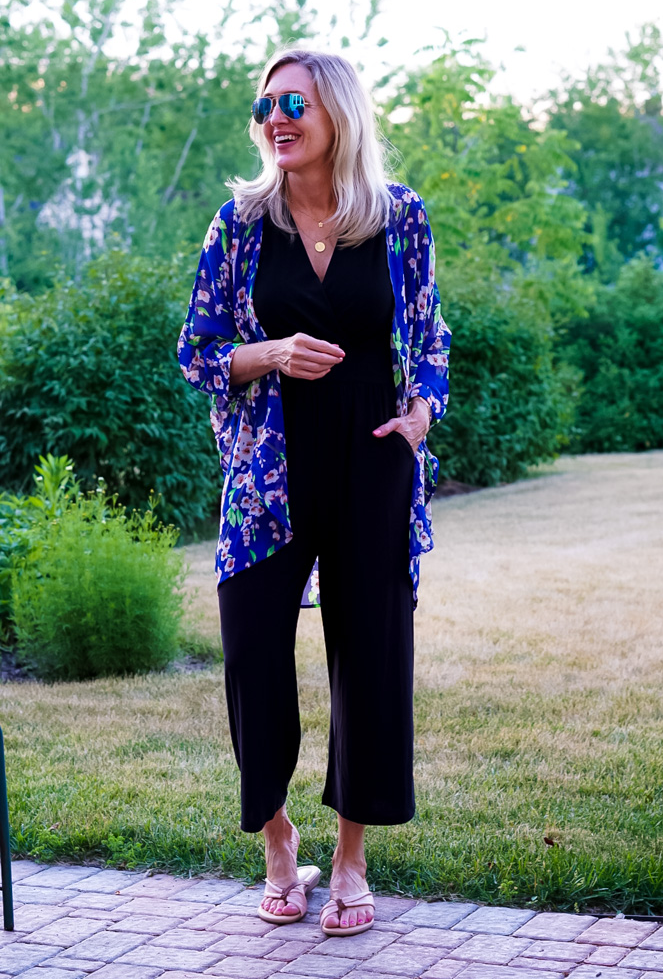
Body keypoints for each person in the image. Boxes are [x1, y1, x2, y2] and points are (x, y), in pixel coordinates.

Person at [178, 48, 450, 937]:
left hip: (373, 455)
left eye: (292, 102)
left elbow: (430, 336)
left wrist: (421, 414)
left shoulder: (398, 216)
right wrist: (270, 353)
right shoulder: (241, 221)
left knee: (369, 658)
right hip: (266, 472)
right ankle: (278, 841)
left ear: (337, 110)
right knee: (254, 650)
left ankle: (350, 858)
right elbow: (199, 350)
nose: (275, 120)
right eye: (264, 109)